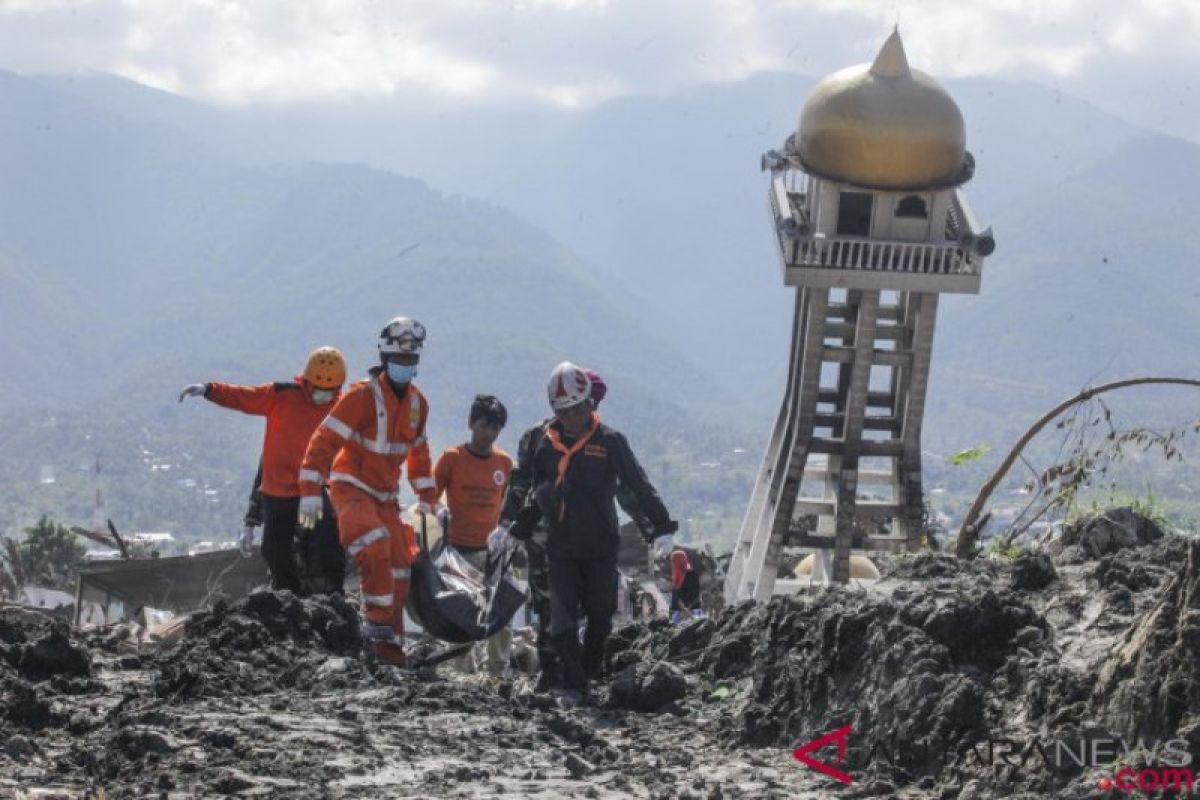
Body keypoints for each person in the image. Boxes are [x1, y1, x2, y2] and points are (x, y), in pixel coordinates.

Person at [504, 361, 677, 704]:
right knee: (561, 620)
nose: (571, 417)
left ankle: (586, 672)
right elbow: (534, 490)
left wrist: (660, 527)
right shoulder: (543, 443)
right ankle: (572, 684)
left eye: (577, 408)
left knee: (600, 618)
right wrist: (515, 526)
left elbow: (636, 486)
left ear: (590, 403)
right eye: (563, 410)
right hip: (560, 548)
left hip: (601, 546)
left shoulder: (610, 442)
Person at [297, 317, 437, 667]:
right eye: (399, 361)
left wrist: (427, 496)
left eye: (410, 361)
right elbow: (325, 439)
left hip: (386, 497)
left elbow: (419, 452)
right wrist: (311, 487)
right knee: (374, 546)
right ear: (385, 358)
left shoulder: (418, 404)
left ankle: (391, 650)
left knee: (402, 564)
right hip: (352, 487)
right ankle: (375, 626)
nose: (404, 367)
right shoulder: (362, 396)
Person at [178, 347, 346, 594]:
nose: (322, 395)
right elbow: (245, 396)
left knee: (328, 542)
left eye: (328, 391)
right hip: (278, 492)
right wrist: (209, 390)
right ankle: (287, 595)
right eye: (317, 389)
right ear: (305, 382)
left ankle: (333, 595)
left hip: (313, 490)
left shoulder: (342, 408)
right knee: (274, 550)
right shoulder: (281, 395)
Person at [433, 394, 514, 676]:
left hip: (493, 552)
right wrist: (439, 511)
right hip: (458, 549)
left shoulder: (504, 463)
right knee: (460, 614)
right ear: (471, 423)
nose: (489, 434)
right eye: (484, 426)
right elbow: (430, 496)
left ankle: (497, 671)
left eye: (495, 428)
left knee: (501, 613)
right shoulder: (452, 458)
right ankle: (461, 670)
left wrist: (505, 531)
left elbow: (510, 503)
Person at [669, 548, 702, 623]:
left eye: (673, 561)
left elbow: (694, 594)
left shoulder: (691, 575)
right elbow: (675, 597)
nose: (671, 564)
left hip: (691, 612)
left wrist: (686, 609)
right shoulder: (676, 576)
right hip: (678, 614)